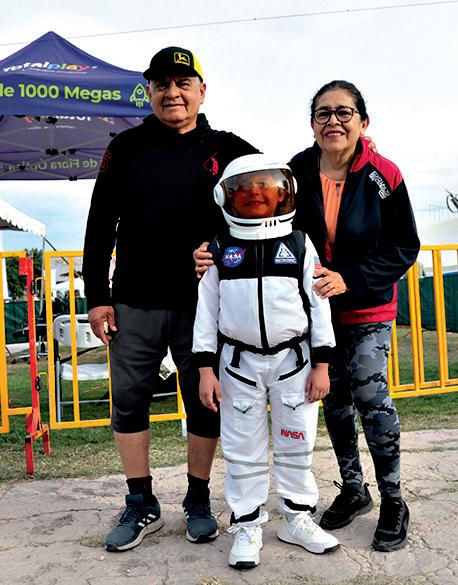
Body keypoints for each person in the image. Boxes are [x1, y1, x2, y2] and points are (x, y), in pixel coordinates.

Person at [82, 46, 258, 552]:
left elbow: (280, 185)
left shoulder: (228, 149)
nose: (172, 93)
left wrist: (344, 151)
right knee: (129, 400)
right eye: (161, 84)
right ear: (149, 92)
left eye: (183, 83)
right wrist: (97, 297)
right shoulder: (126, 147)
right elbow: (100, 223)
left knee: (204, 401)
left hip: (203, 305)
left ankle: (197, 499)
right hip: (132, 302)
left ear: (202, 91)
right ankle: (141, 502)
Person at [288, 80, 420, 551]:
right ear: (312, 124)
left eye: (344, 112)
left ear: (363, 122)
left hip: (368, 304)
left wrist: (352, 278)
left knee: (370, 394)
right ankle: (353, 488)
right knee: (335, 400)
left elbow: (404, 247)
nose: (333, 121)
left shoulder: (384, 174)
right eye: (323, 113)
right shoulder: (296, 171)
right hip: (317, 308)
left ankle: (393, 499)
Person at [193, 154, 340, 569]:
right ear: (226, 197)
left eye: (265, 188)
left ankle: (297, 518)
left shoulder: (299, 244)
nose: (255, 195)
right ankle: (247, 524)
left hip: (295, 363)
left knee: (297, 442)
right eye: (245, 189)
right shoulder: (219, 249)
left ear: (284, 194)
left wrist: (322, 364)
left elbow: (319, 306)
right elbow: (206, 311)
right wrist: (205, 369)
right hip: (238, 366)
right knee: (243, 449)